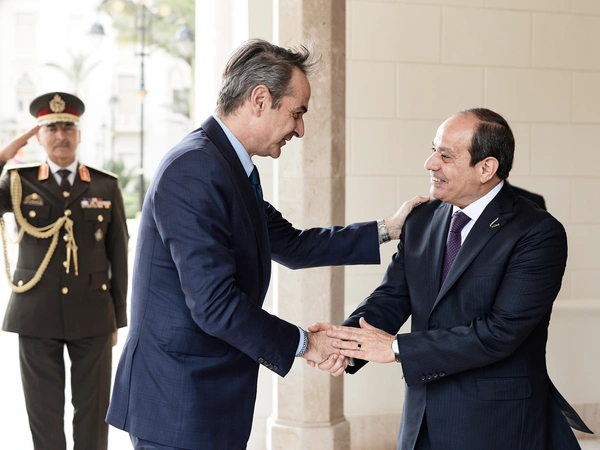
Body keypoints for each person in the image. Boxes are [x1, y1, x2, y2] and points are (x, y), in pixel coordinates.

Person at [106, 38, 428, 449]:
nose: (300, 129)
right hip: (178, 402)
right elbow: (214, 304)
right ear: (260, 100)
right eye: (297, 113)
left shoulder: (227, 166)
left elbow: (293, 245)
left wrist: (389, 228)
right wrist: (308, 344)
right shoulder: (195, 168)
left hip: (205, 396)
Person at [312, 108, 593, 449]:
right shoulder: (421, 219)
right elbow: (392, 297)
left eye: (445, 156)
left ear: (486, 168)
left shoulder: (537, 232)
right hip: (421, 419)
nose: (430, 163)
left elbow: (500, 333)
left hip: (494, 424)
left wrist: (395, 348)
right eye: (434, 150)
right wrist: (345, 342)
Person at [0, 92, 129, 450]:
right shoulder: (18, 181)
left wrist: (117, 319)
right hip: (35, 314)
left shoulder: (104, 185)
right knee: (44, 420)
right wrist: (3, 156)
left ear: (79, 134)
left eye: (68, 127)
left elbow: (118, 254)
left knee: (93, 417)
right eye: (52, 128)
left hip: (93, 315)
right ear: (39, 136)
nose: (61, 135)